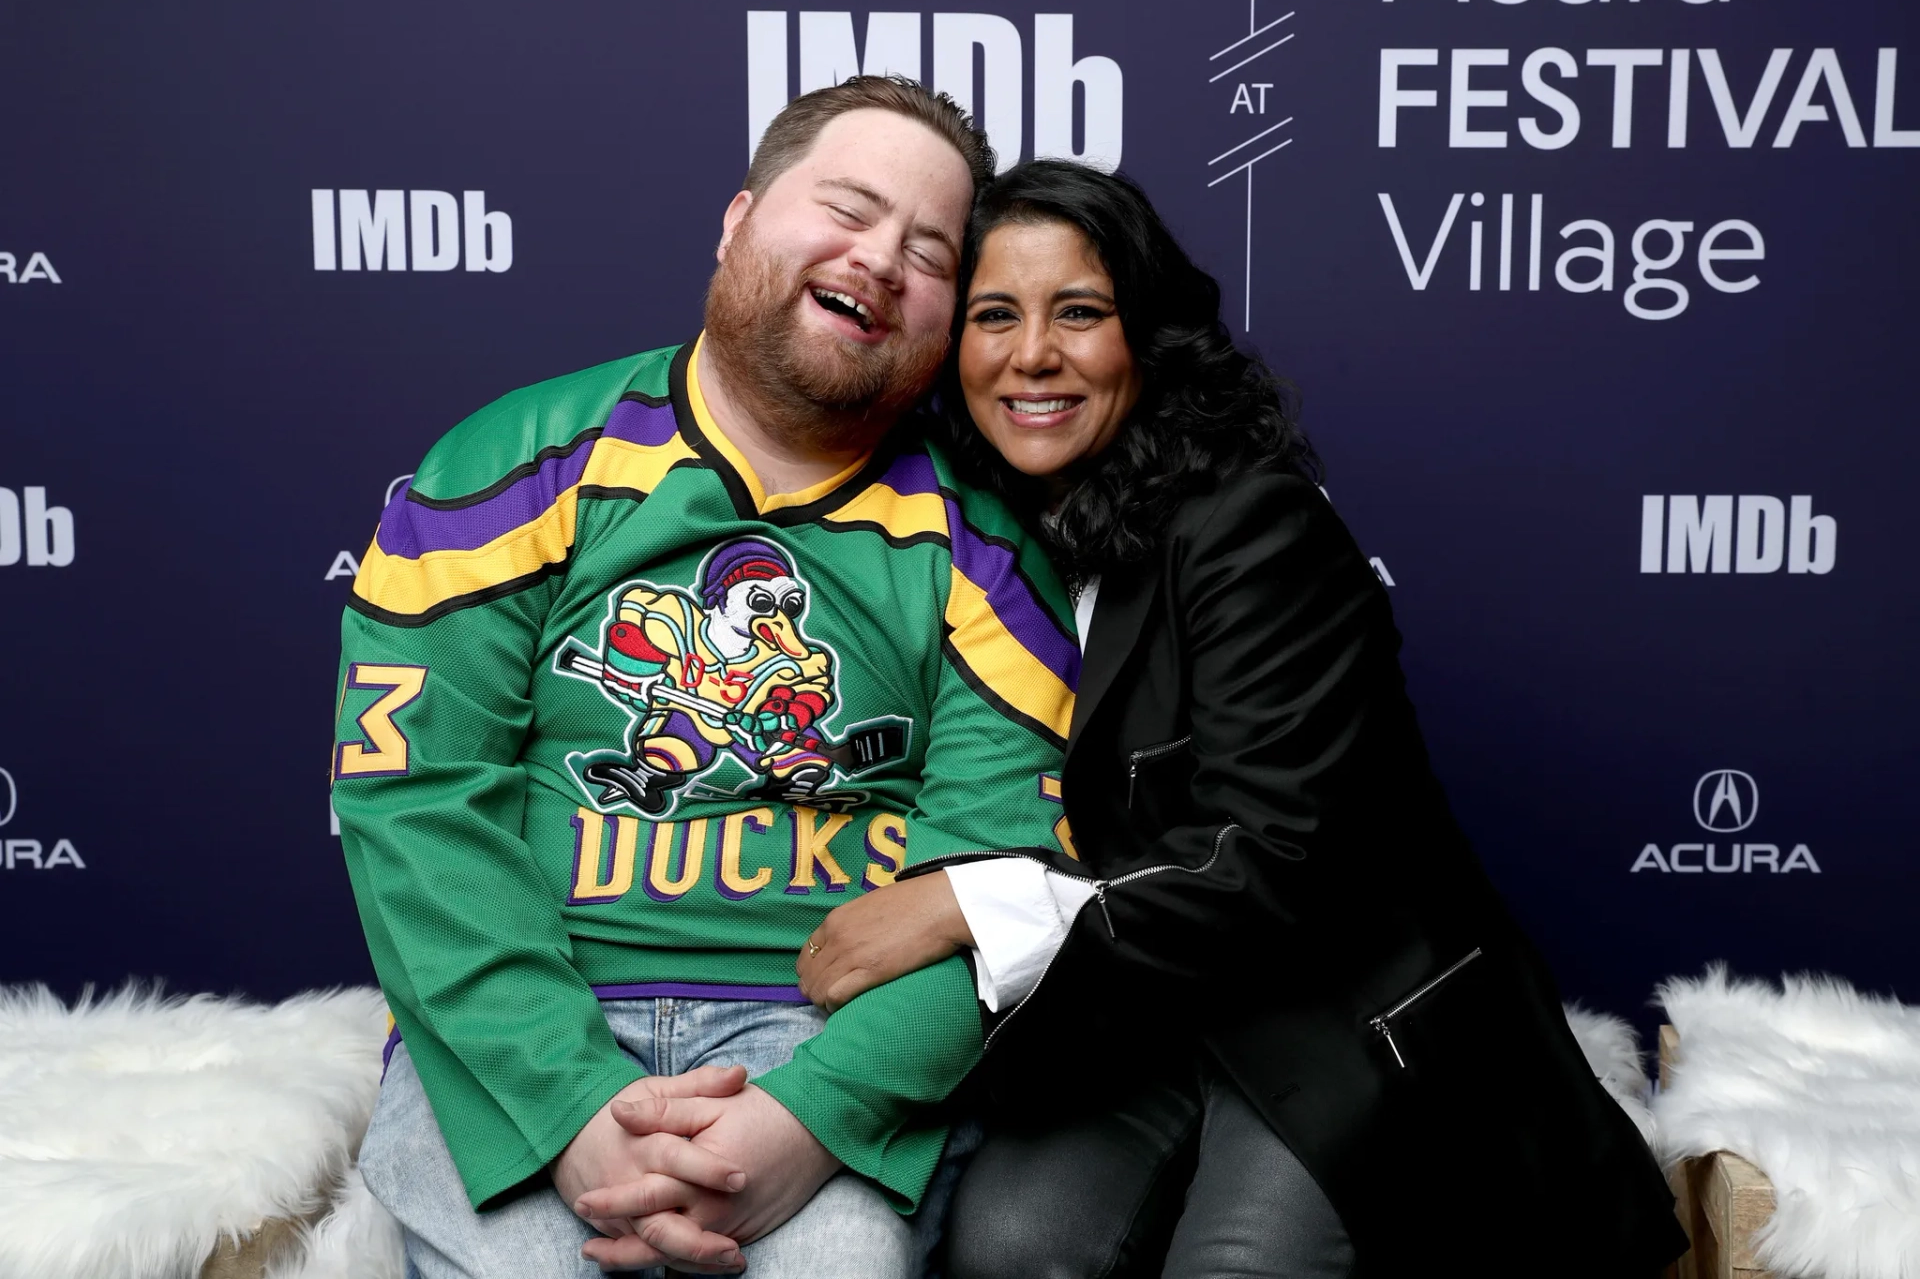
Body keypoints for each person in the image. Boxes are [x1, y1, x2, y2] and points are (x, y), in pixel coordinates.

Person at [797, 160, 1690, 1278]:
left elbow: (1270, 863)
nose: (1032, 355)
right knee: (1012, 1246)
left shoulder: (1254, 524)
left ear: (1150, 338)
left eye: (1081, 312)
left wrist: (964, 905)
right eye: (994, 316)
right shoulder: (963, 535)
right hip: (1132, 1012)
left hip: (1327, 1000)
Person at [331, 79, 1083, 1279]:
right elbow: (410, 807)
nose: (880, 258)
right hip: (534, 1013)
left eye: (928, 250)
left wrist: (810, 1117)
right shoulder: (509, 469)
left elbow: (1000, 893)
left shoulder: (987, 554)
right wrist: (571, 1108)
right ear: (739, 221)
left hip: (822, 1039)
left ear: (947, 316)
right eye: (847, 206)